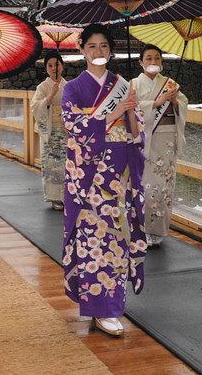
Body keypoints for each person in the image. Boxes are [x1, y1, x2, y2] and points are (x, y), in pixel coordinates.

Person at [61, 24, 147, 337]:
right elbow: (73, 126)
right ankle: (98, 308)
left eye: (103, 46)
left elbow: (138, 133)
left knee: (117, 239)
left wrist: (130, 115)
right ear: (81, 49)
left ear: (110, 50)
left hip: (119, 173)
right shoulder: (73, 88)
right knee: (91, 241)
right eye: (92, 46)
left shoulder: (124, 86)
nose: (98, 52)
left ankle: (112, 307)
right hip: (89, 178)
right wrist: (112, 115)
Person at [131, 44, 188, 247]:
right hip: (144, 142)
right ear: (141, 62)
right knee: (144, 186)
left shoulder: (171, 84)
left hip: (166, 140)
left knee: (164, 186)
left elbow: (183, 105)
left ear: (162, 62)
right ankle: (142, 228)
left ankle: (160, 230)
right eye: (148, 58)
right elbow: (131, 110)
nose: (153, 62)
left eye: (157, 58)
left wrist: (174, 102)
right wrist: (155, 103)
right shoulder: (133, 85)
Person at [30, 51, 68, 210]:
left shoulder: (69, 86)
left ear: (62, 66)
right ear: (46, 68)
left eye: (57, 64)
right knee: (52, 165)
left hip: (66, 130)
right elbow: (35, 108)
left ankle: (67, 196)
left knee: (66, 164)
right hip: (50, 132)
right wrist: (50, 96)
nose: (54, 68)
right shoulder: (42, 87)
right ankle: (54, 198)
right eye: (50, 65)